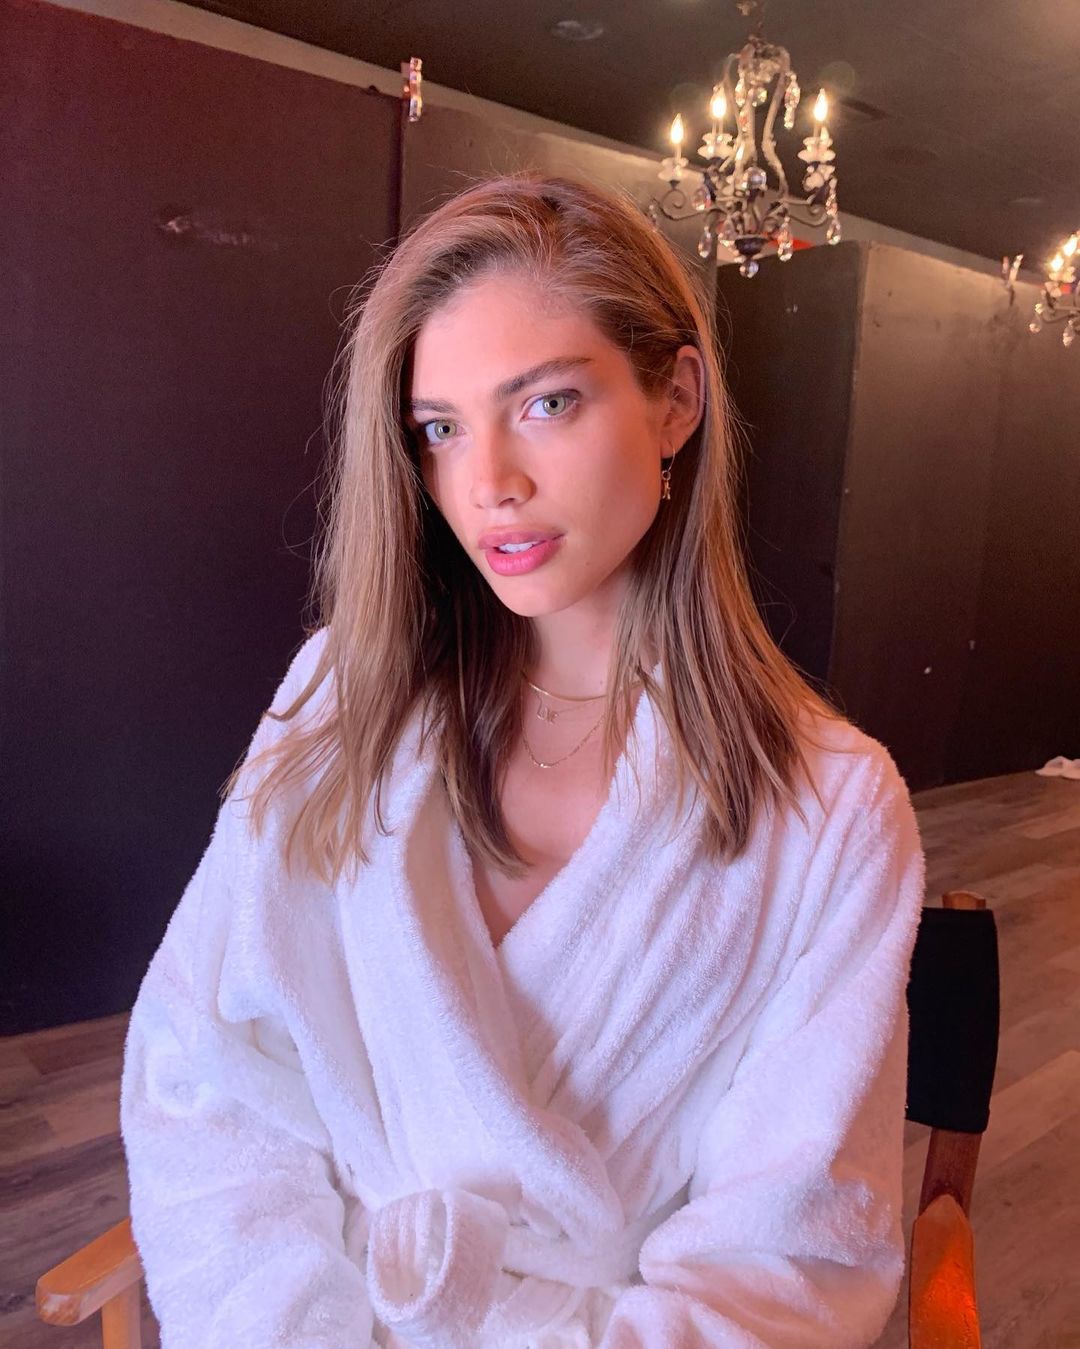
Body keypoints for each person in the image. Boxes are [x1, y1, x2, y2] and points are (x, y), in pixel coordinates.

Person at [120, 172, 926, 1348]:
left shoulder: (834, 810)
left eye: (546, 402)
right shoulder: (342, 694)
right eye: (439, 429)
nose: (487, 481)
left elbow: (788, 1257)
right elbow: (205, 1070)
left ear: (676, 399)